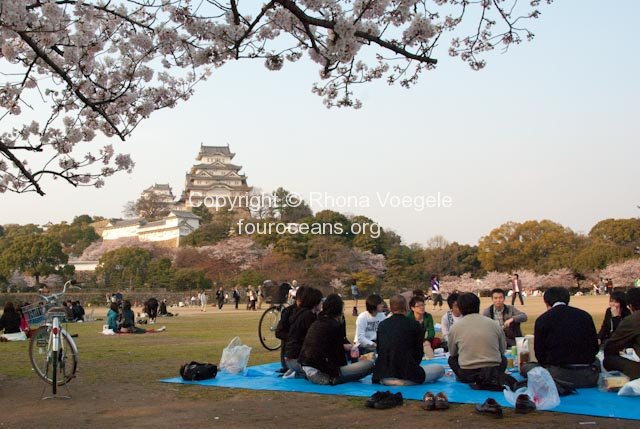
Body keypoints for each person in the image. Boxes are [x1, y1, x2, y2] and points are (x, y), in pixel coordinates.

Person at [521, 287, 600, 388]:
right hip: (588, 376)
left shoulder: (543, 319)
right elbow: (595, 348)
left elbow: (539, 354)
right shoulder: (585, 316)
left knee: (526, 367)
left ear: (546, 302)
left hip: (558, 377)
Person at [299, 294, 374, 385]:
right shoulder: (334, 326)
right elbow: (338, 357)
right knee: (369, 365)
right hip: (321, 374)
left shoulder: (318, 322)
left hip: (307, 368)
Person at [373, 295, 445, 386]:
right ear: (406, 307)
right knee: (439, 369)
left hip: (383, 375)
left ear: (390, 308)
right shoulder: (414, 325)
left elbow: (379, 350)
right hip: (408, 375)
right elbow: (419, 353)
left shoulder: (382, 325)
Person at [448, 293, 509, 386]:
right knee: (503, 359)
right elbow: (502, 350)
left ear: (460, 308)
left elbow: (453, 353)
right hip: (494, 370)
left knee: (451, 359)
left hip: (468, 373)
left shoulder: (455, 328)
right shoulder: (494, 324)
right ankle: (493, 378)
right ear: (478, 306)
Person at [284, 288, 323, 376]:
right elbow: (316, 339)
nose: (322, 303)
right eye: (320, 301)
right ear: (315, 302)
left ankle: (294, 371)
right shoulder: (308, 316)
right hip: (298, 360)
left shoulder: (298, 313)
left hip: (289, 359)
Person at [603, 288, 640, 380]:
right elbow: (604, 329)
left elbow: (611, 346)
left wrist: (616, 319)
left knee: (609, 360)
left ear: (630, 306)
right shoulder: (609, 312)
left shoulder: (632, 319)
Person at [276, 286, 307, 373]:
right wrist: (295, 337)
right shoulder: (288, 312)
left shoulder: (309, 312)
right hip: (291, 355)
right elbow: (279, 332)